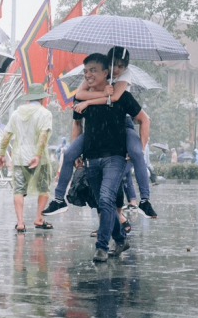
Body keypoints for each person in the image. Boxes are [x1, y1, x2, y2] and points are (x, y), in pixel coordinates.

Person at [43, 47, 157, 219]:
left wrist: (140, 148)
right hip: (95, 138)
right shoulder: (88, 87)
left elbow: (116, 97)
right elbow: (79, 102)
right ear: (107, 66)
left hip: (120, 130)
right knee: (70, 156)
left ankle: (144, 200)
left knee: (135, 155)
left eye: (121, 66)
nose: (116, 70)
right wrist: (77, 150)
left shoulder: (124, 85)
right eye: (114, 65)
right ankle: (59, 199)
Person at [71, 53, 150, 262]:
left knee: (107, 199)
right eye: (85, 71)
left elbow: (143, 119)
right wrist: (76, 153)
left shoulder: (121, 96)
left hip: (115, 157)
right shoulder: (81, 96)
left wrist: (138, 150)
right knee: (101, 203)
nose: (88, 74)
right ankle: (121, 239)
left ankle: (102, 247)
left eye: (93, 70)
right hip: (90, 157)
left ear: (107, 72)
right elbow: (77, 124)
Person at [0, 83, 54, 232]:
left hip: (19, 157)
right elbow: (43, 135)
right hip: (38, 158)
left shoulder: (16, 113)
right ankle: (38, 218)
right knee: (43, 188)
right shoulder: (45, 113)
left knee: (18, 190)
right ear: (42, 98)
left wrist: (2, 154)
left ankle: (20, 222)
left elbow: (6, 135)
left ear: (29, 98)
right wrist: (37, 154)